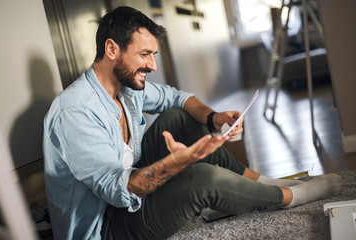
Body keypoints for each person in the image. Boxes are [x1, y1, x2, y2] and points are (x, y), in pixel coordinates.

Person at [43, 6, 342, 240]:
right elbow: (119, 191)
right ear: (112, 50)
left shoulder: (125, 88)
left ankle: (262, 182)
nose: (153, 65)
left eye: (154, 54)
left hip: (126, 189)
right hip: (105, 227)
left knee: (176, 118)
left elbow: (177, 98)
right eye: (145, 54)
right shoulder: (74, 111)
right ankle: (289, 196)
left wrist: (215, 117)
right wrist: (177, 164)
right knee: (200, 178)